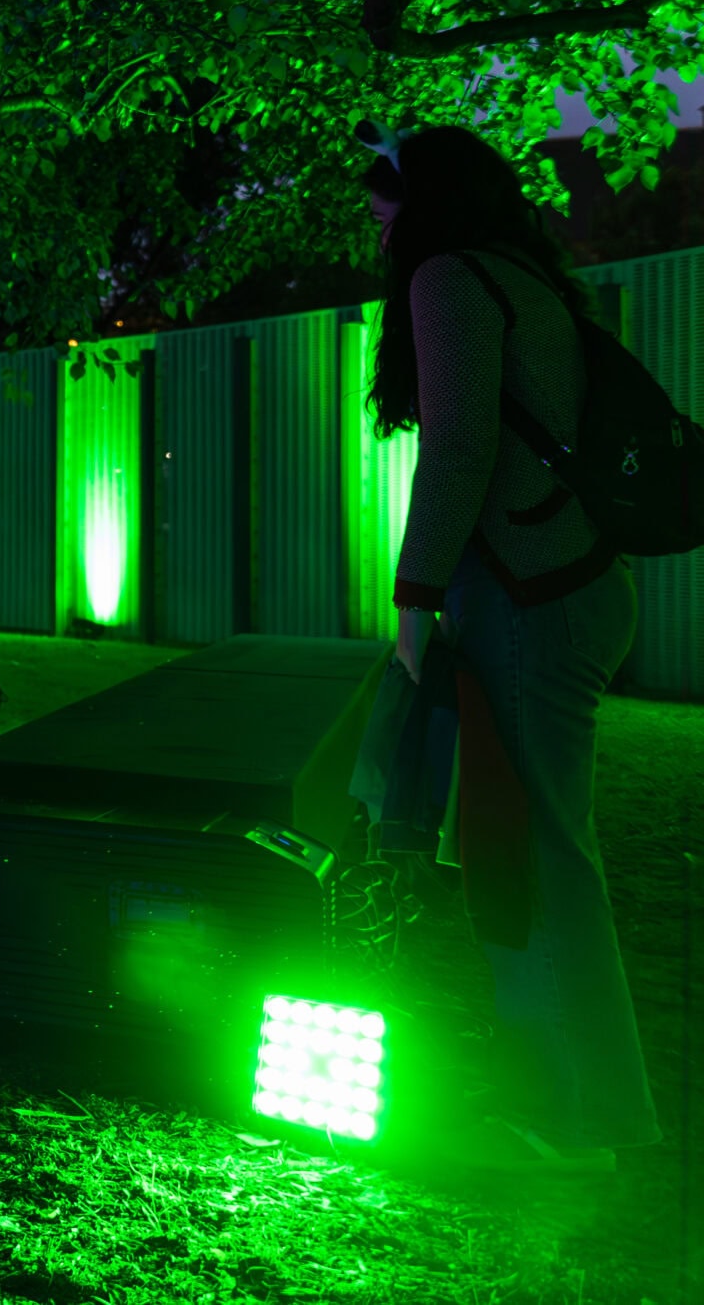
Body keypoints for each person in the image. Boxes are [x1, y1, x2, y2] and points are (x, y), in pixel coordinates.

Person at [362, 122, 655, 1170]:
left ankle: (581, 1119)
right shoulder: (525, 276)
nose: (376, 223)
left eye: (384, 202)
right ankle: (567, 1100)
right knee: (525, 846)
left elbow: (460, 448)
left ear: (426, 201)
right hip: (567, 590)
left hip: (531, 601)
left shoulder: (448, 276)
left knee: (537, 854)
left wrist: (412, 601)